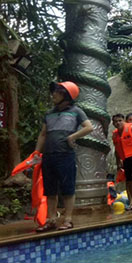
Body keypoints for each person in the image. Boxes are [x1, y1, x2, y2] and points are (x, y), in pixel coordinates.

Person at [33, 81, 93, 231]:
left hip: (65, 154)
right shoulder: (49, 113)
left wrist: (73, 136)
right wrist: (36, 153)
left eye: (57, 92)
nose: (53, 94)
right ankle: (51, 220)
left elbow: (89, 127)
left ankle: (68, 220)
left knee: (68, 188)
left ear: (66, 95)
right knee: (50, 190)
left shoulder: (76, 111)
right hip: (48, 155)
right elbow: (43, 134)